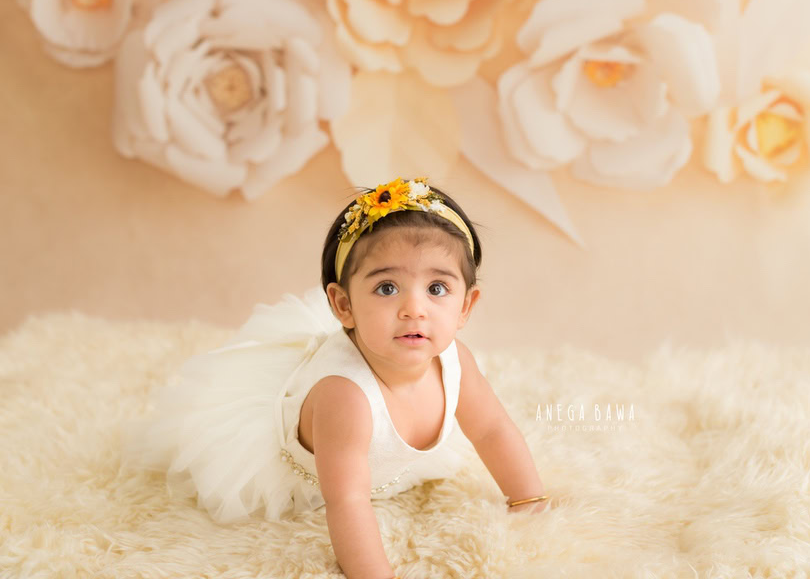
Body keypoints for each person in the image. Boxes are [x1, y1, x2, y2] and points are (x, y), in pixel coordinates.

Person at [123, 176, 549, 578]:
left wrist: (528, 499)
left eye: (436, 288)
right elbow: (347, 499)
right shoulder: (344, 396)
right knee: (344, 480)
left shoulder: (455, 361)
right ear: (343, 306)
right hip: (314, 471)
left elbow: (491, 429)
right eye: (387, 288)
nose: (414, 309)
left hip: (372, 458)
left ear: (465, 306)